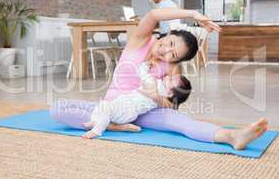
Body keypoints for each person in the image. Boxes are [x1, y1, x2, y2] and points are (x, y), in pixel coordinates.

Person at [50, 8, 268, 150]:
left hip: (143, 114)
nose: (167, 51)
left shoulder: (171, 67)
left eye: (174, 54)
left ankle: (232, 136)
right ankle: (114, 126)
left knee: (181, 122)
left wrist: (156, 96)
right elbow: (153, 15)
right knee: (57, 109)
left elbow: (172, 102)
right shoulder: (140, 41)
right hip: (112, 108)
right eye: (170, 43)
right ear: (167, 35)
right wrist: (193, 15)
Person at [81, 62, 192, 139]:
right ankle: (96, 121)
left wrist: (145, 66)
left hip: (127, 109)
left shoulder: (154, 84)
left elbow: (142, 73)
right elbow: (172, 106)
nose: (168, 76)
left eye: (171, 80)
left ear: (170, 93)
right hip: (127, 109)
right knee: (104, 107)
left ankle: (96, 131)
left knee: (105, 107)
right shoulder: (163, 97)